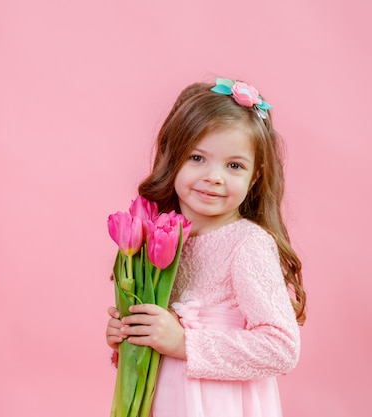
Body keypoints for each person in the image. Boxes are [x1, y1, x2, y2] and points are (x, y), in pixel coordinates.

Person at [105, 77, 307, 417]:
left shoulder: (247, 244)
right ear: (173, 157)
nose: (215, 176)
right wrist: (131, 333)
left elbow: (282, 348)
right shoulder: (158, 237)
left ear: (255, 176)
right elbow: (160, 339)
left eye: (234, 165)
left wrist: (184, 342)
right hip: (164, 402)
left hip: (218, 406)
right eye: (197, 158)